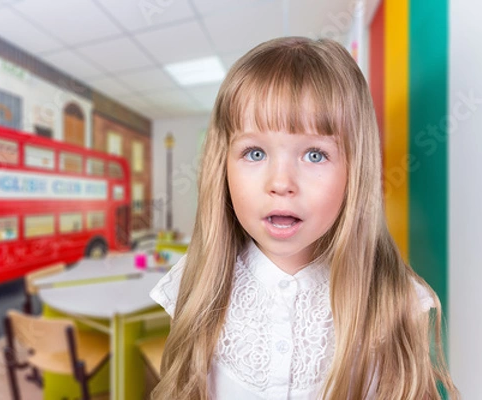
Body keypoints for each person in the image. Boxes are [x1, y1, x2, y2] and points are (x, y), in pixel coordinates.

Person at [149, 37, 459, 399]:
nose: (281, 184)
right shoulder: (195, 282)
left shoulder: (395, 299)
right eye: (254, 152)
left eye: (314, 155)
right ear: (223, 167)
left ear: (355, 170)